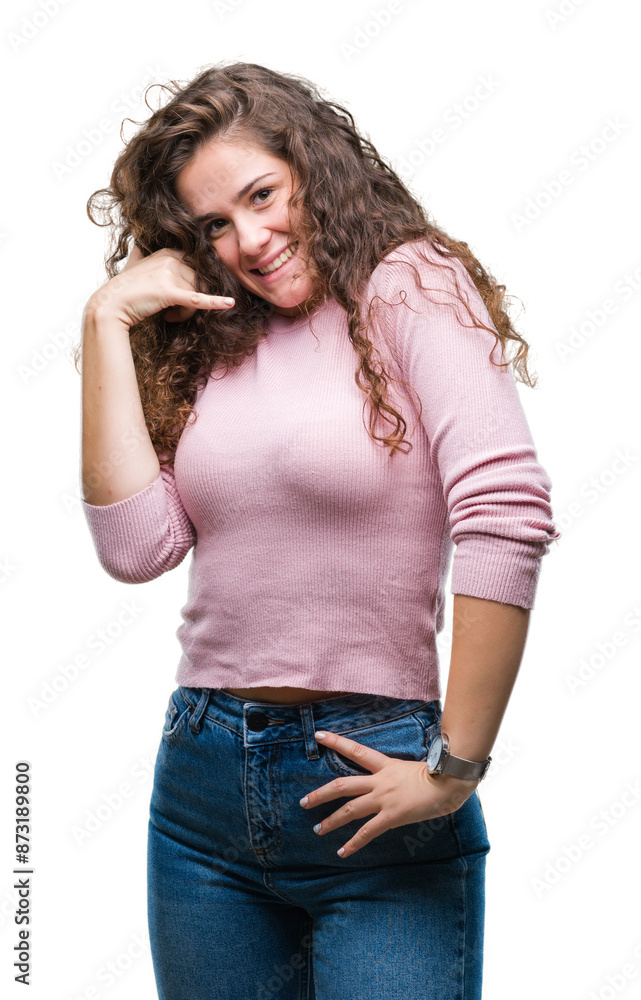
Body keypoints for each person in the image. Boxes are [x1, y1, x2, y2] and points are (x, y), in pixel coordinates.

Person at [76, 61, 561, 1000]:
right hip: (201, 790)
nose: (248, 241)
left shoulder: (408, 284)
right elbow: (137, 549)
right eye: (213, 224)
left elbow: (505, 510)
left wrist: (454, 766)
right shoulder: (211, 338)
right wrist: (104, 324)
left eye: (261, 196)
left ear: (311, 166)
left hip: (377, 785)